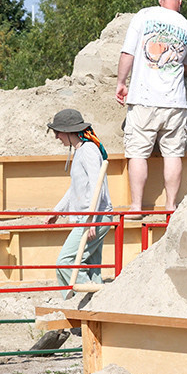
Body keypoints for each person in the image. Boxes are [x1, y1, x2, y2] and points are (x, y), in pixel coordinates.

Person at [115, 0, 187, 217]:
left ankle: (136, 207)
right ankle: (170, 206)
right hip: (175, 102)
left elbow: (128, 53)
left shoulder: (144, 16)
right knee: (173, 154)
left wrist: (121, 82)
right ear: (180, 0)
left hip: (144, 99)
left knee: (138, 153)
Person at [45, 109, 113, 299]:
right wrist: (57, 211)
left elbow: (97, 185)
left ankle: (86, 297)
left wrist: (91, 219)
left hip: (95, 217)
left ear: (68, 131)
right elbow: (76, 188)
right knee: (92, 267)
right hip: (92, 217)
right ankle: (94, 302)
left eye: (57, 132)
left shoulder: (89, 150)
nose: (56, 137)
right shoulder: (81, 151)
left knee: (66, 262)